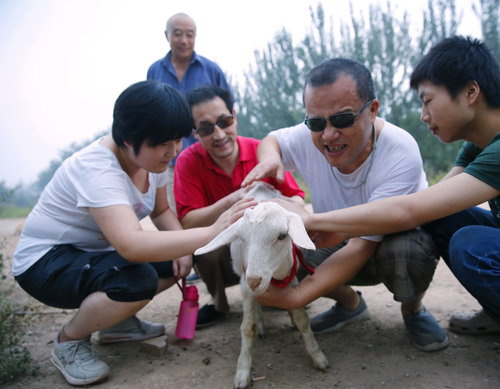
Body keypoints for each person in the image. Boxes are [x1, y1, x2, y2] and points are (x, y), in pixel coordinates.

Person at [257, 37, 500, 389]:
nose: (424, 115)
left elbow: (409, 210)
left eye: (428, 100)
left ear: (470, 92)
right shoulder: (486, 143)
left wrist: (308, 221)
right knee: (447, 220)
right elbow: (428, 204)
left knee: (475, 246)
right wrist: (328, 222)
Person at [11, 81, 254, 387]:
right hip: (45, 263)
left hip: (92, 256)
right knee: (136, 280)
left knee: (172, 263)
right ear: (128, 139)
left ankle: (115, 324)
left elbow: (162, 211)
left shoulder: (155, 162)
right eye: (162, 143)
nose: (174, 151)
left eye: (177, 140)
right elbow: (131, 245)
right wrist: (213, 232)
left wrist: (182, 250)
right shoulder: (97, 168)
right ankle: (69, 341)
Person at [242, 58, 448, 352]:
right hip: (338, 239)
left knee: (407, 251)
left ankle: (413, 310)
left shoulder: (399, 151)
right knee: (290, 246)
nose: (328, 135)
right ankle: (350, 304)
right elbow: (272, 140)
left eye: (342, 119)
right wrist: (270, 159)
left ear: (373, 110)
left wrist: (296, 299)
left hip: (389, 242)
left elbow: (362, 245)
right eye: (315, 122)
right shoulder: (310, 136)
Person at [173, 84, 305, 327]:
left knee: (294, 237)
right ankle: (219, 302)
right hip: (225, 243)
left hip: (265, 237)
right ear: (195, 133)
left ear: (235, 116)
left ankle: (281, 293)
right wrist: (232, 200)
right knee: (204, 248)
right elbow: (188, 221)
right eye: (206, 128)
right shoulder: (187, 162)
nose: (219, 134)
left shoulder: (259, 150)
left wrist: (276, 207)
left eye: (224, 122)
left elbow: (297, 198)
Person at [147, 12, 233, 213]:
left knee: (213, 211)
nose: (184, 40)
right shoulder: (154, 72)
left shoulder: (211, 70)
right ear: (166, 35)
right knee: (178, 214)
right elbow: (151, 114)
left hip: (209, 157)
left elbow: (227, 111)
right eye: (177, 34)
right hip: (170, 159)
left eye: (190, 34)